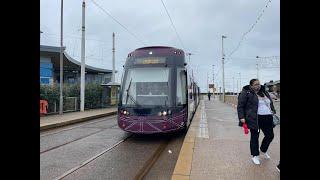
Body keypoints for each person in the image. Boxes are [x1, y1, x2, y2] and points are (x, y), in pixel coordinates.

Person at [237, 79, 276, 165]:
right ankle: (255, 156)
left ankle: (263, 149)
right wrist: (241, 117)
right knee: (255, 137)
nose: (258, 85)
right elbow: (240, 106)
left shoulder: (264, 92)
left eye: (259, 84)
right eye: (255, 84)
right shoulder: (247, 93)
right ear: (251, 85)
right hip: (255, 118)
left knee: (270, 135)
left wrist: (273, 110)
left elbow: (270, 103)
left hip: (268, 117)